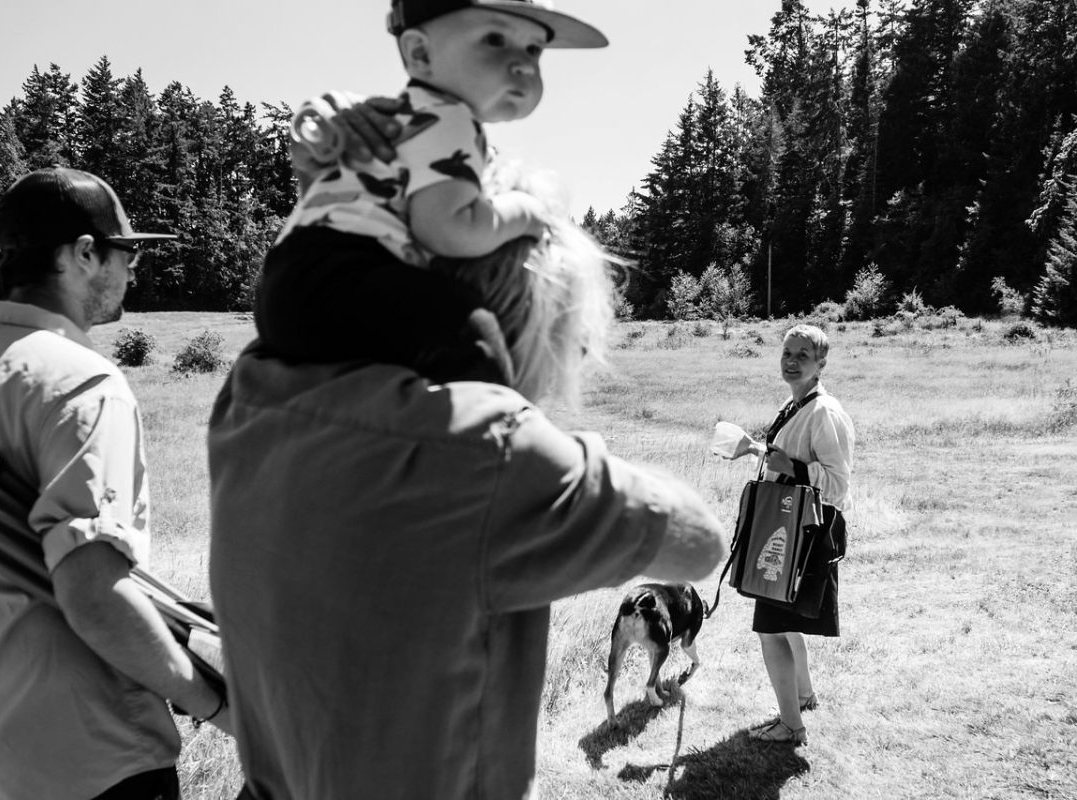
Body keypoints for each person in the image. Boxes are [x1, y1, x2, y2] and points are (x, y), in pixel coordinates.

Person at [208, 161, 728, 800]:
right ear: (531, 320)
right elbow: (701, 543)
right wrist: (566, 451)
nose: (572, 365)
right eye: (575, 342)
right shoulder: (488, 451)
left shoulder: (253, 393)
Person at [0, 167, 233, 800]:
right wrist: (215, 704)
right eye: (128, 252)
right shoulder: (83, 385)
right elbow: (95, 593)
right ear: (85, 253)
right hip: (96, 757)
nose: (134, 270)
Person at [253, 0, 608, 384]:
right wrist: (525, 212)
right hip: (345, 278)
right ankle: (489, 434)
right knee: (474, 344)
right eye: (494, 38)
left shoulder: (409, 117)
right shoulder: (450, 118)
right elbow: (447, 230)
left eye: (534, 49)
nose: (523, 63)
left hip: (286, 283)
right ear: (420, 53)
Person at [729, 323, 855, 745]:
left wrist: (793, 469)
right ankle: (803, 695)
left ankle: (791, 726)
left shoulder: (825, 412)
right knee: (783, 622)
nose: (792, 361)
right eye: (787, 352)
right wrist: (755, 449)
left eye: (803, 355)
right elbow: (787, 458)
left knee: (769, 627)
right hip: (786, 525)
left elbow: (838, 484)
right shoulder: (796, 402)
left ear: (821, 364)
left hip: (805, 534)